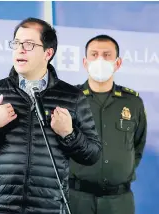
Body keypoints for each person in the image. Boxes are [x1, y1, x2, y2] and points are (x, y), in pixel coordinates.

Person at [0, 17, 101, 214]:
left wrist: (69, 134)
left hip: (48, 208)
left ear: (48, 53)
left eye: (29, 44)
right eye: (16, 43)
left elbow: (92, 154)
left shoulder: (72, 97)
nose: (20, 49)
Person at [69, 35, 147, 214]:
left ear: (117, 63)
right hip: (77, 200)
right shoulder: (70, 99)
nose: (100, 59)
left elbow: (138, 146)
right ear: (85, 62)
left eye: (107, 55)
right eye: (94, 54)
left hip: (119, 202)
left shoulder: (133, 103)